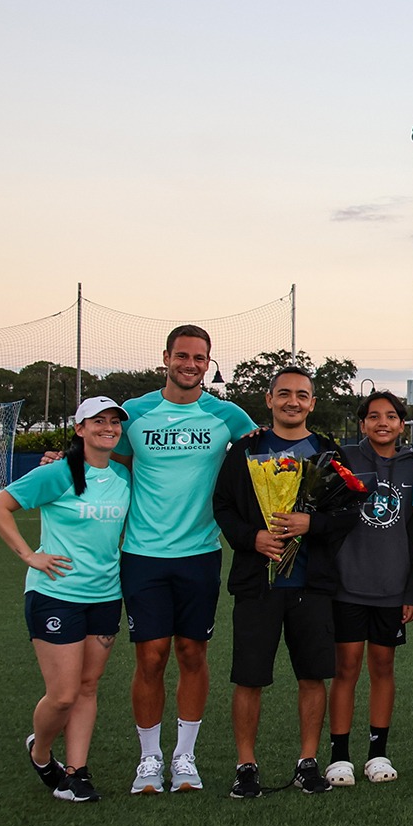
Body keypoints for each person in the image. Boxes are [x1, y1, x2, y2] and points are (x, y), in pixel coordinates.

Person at [114, 325, 258, 794]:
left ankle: (184, 757)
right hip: (143, 554)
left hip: (200, 553)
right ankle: (150, 759)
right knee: (151, 657)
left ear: (209, 363)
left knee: (192, 652)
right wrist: (61, 460)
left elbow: (268, 451)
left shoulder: (226, 415)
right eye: (182, 356)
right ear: (166, 358)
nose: (190, 365)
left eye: (200, 358)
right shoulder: (134, 414)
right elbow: (104, 463)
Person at [212, 367, 361, 798]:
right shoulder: (246, 449)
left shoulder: (329, 453)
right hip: (257, 582)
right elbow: (222, 505)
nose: (292, 401)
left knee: (313, 675)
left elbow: (349, 513)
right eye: (284, 394)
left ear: (312, 402)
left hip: (311, 584)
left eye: (301, 395)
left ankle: (307, 762)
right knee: (249, 677)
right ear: (269, 399)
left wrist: (310, 523)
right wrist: (251, 538)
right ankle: (246, 765)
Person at [0, 397, 132, 802]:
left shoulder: (121, 475)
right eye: (97, 421)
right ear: (80, 429)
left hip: (105, 595)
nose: (108, 427)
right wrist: (29, 555)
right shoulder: (58, 473)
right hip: (55, 595)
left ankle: (77, 772)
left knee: (87, 686)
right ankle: (42, 752)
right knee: (64, 693)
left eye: (114, 422)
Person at [327, 391, 413, 786]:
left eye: (391, 416)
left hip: (391, 587)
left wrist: (410, 592)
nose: (382, 422)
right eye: (373, 416)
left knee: (383, 667)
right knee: (345, 667)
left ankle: (377, 754)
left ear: (402, 424)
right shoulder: (343, 460)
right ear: (363, 423)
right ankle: (339, 756)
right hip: (348, 584)